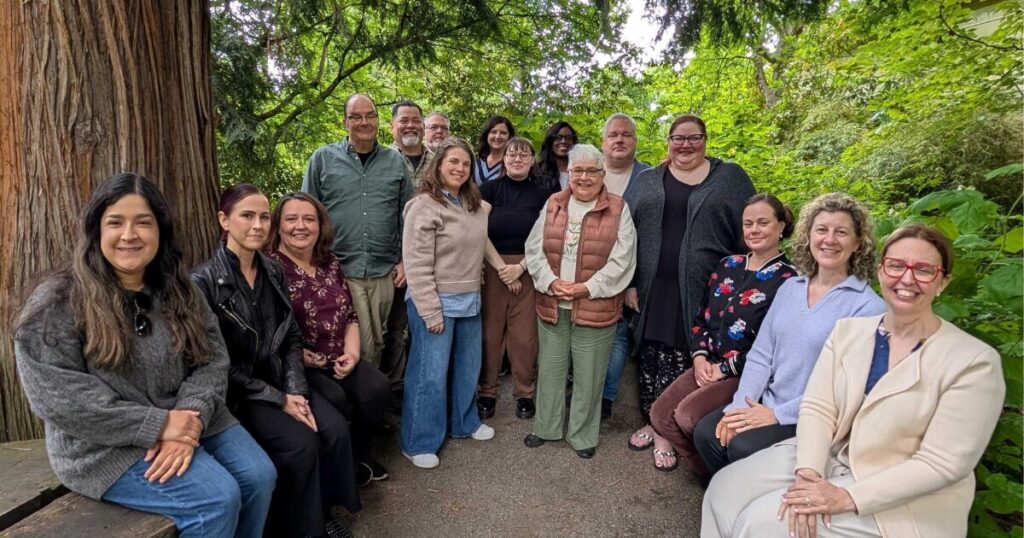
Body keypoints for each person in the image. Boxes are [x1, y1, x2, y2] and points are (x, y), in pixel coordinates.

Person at [15, 173, 276, 538]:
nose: (129, 235)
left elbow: (213, 359)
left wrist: (189, 417)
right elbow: (60, 399)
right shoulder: (58, 301)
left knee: (259, 475)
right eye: (115, 222)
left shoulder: (180, 290)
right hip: (104, 444)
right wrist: (158, 425)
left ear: (160, 230)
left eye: (143, 222)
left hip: (190, 416)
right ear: (95, 229)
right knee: (216, 499)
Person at [702, 225, 1005, 538]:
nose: (907, 278)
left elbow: (942, 463)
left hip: (900, 489)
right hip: (831, 456)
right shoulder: (850, 332)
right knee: (723, 491)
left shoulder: (973, 361)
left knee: (762, 522)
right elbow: (819, 409)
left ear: (943, 282)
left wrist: (845, 497)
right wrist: (808, 474)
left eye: (924, 270)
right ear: (881, 271)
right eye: (896, 265)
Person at [192, 184, 359, 538]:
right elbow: (214, 364)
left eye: (264, 217)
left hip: (281, 378)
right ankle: (306, 528)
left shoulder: (271, 270)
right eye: (247, 216)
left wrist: (295, 390)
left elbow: (291, 336)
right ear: (224, 220)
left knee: (333, 429)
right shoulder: (203, 282)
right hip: (240, 392)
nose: (257, 225)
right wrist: (279, 399)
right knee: (302, 443)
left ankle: (324, 509)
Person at [692, 192, 886, 477]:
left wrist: (776, 415)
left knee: (743, 447)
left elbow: (846, 388)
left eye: (841, 232)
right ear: (809, 236)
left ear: (858, 242)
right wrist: (739, 406)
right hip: (766, 401)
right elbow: (761, 354)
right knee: (707, 434)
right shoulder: (791, 288)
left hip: (811, 414)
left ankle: (758, 498)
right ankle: (732, 494)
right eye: (821, 230)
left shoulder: (867, 307)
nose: (829, 239)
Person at [623, 114, 755, 458]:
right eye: (678, 138)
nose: (686, 145)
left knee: (688, 352)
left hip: (706, 289)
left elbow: (750, 231)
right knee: (651, 352)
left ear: (705, 140)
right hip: (652, 287)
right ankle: (652, 421)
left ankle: (669, 428)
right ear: (668, 142)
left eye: (694, 137)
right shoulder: (648, 180)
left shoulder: (730, 178)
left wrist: (745, 281)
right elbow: (626, 234)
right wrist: (630, 284)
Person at [647, 194, 796, 474]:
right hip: (708, 362)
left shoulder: (789, 281)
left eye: (763, 223)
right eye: (748, 224)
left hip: (746, 372)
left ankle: (725, 476)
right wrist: (699, 357)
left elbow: (778, 346)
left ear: (781, 226)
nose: (754, 230)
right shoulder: (728, 265)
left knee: (688, 417)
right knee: (660, 415)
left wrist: (724, 369)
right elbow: (701, 316)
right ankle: (710, 473)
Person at [267, 192, 394, 486]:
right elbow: (268, 328)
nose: (301, 226)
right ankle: (339, 467)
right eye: (291, 219)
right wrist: (298, 356)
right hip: (300, 364)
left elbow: (350, 314)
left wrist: (353, 353)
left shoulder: (329, 262)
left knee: (378, 388)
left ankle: (359, 455)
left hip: (339, 356)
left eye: (309, 219)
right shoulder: (270, 268)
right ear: (278, 225)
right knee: (336, 399)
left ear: (320, 225)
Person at [522, 144, 637, 459]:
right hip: (553, 304)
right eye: (578, 171)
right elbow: (534, 248)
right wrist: (551, 282)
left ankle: (582, 435)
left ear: (602, 174)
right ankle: (546, 428)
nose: (584, 177)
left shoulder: (618, 208)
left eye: (591, 171)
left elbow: (623, 259)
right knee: (550, 371)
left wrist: (587, 288)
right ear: (569, 173)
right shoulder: (554, 203)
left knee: (589, 376)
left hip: (595, 307)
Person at [303, 93, 413, 398]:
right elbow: (306, 213)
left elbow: (408, 215)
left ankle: (371, 401)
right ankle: (360, 402)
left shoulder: (395, 161)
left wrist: (405, 260)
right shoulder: (323, 159)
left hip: (383, 269)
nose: (364, 122)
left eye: (370, 115)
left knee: (379, 339)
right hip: (337, 269)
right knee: (358, 341)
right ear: (345, 122)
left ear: (378, 121)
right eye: (356, 116)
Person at [401, 138, 496, 469]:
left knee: (467, 368)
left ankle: (463, 423)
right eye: (453, 161)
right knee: (429, 375)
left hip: (469, 298)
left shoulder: (471, 203)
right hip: (434, 300)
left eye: (466, 163)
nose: (460, 168)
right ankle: (418, 442)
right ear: (438, 164)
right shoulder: (424, 205)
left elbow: (481, 235)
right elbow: (415, 263)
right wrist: (430, 310)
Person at [476, 137, 550, 421]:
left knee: (524, 337)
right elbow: (478, 230)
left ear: (532, 160)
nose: (517, 159)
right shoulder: (489, 189)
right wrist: (502, 269)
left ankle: (524, 393)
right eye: (512, 154)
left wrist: (520, 267)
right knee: (490, 333)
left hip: (529, 269)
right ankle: (487, 391)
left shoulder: (544, 193)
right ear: (503, 158)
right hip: (492, 267)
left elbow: (548, 236)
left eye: (523, 155)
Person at [598, 113, 652, 419]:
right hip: (588, 269)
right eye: (613, 135)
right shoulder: (590, 172)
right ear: (603, 142)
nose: (619, 140)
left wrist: (634, 281)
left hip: (629, 271)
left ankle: (605, 398)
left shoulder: (650, 177)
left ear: (635, 141)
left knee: (618, 332)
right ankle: (584, 389)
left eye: (626, 135)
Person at [391, 100, 432, 187]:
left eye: (416, 121)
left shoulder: (437, 162)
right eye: (404, 121)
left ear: (423, 127)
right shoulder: (380, 161)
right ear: (392, 127)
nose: (410, 125)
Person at [535, 121, 578, 192]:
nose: (563, 141)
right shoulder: (538, 171)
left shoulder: (582, 170)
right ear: (550, 141)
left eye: (568, 137)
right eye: (558, 137)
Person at [474, 115, 516, 184]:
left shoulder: (514, 164)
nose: (497, 136)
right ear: (487, 135)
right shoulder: (475, 163)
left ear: (510, 137)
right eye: (493, 132)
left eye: (503, 133)